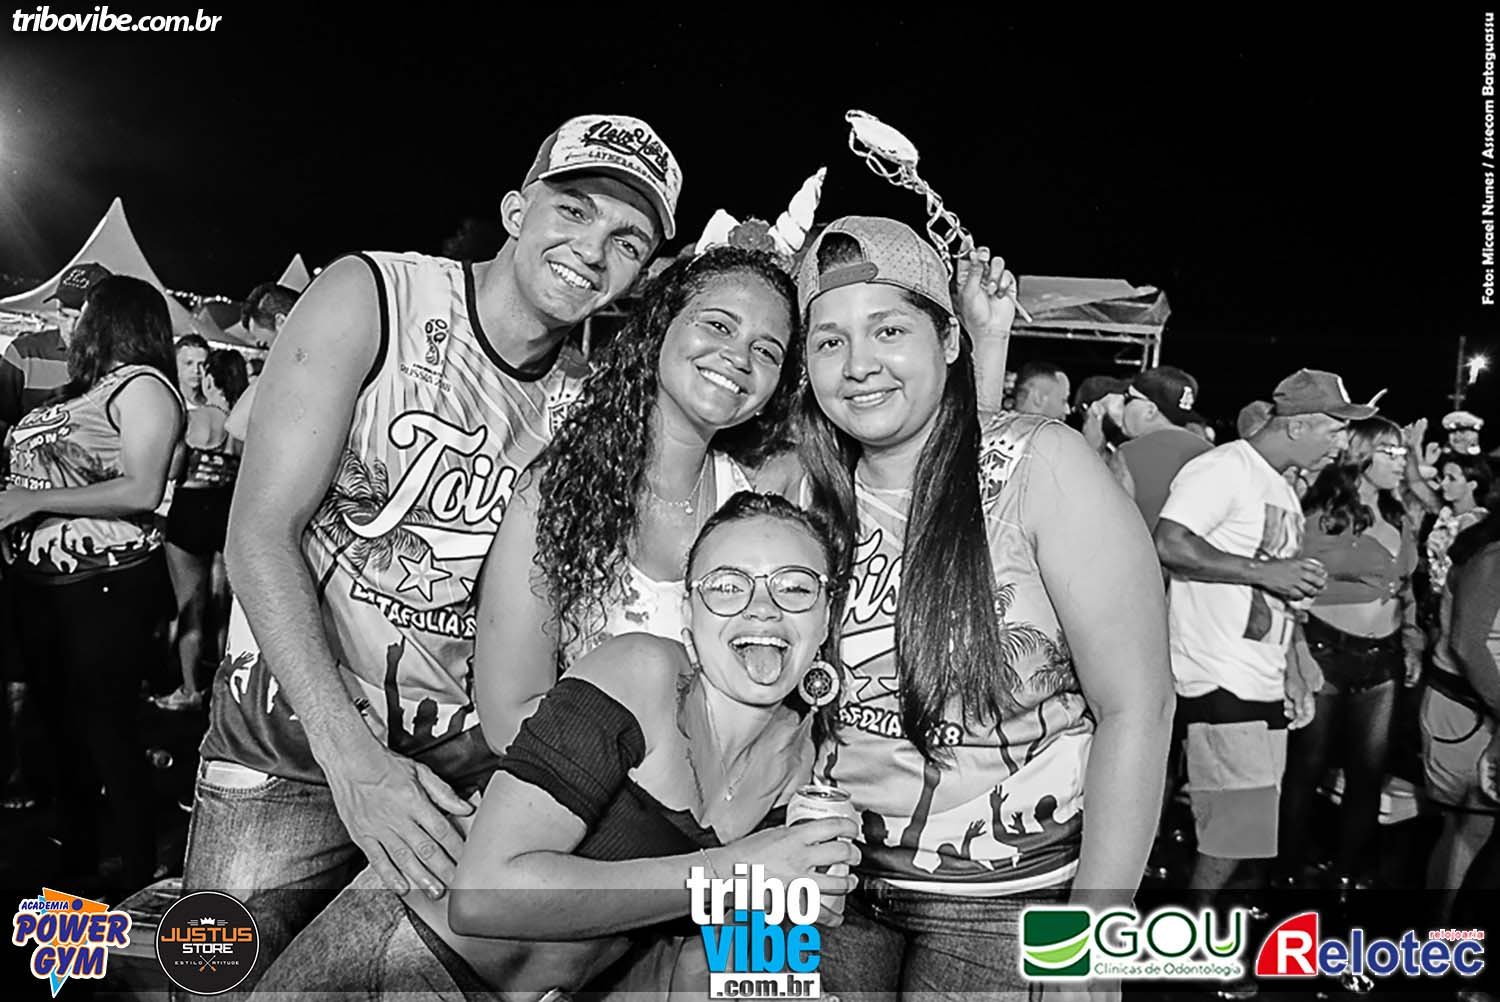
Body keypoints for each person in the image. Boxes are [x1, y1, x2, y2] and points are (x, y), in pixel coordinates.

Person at [181, 113, 682, 987]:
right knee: (218, 982)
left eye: (627, 240)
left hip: (451, 771)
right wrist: (356, 766)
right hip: (287, 745)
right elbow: (259, 533)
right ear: (517, 209)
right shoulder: (373, 295)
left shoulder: (587, 404)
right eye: (574, 210)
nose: (593, 250)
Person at [253, 492, 859, 999]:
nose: (761, 608)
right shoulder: (640, 675)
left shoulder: (798, 765)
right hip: (395, 964)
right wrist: (737, 871)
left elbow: (690, 963)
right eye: (727, 586)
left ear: (827, 615)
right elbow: (482, 900)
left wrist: (778, 958)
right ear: (689, 615)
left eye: (795, 587)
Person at [796, 217, 1173, 1001]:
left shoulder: (1043, 465)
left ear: (948, 339)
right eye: (830, 341)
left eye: (889, 330)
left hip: (1003, 899)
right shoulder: (806, 490)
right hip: (830, 887)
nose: (858, 365)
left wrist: (1097, 938)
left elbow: (1137, 705)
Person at [475, 245, 802, 753]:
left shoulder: (761, 502)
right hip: (578, 787)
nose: (739, 358)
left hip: (725, 792)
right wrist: (657, 768)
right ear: (660, 328)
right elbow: (509, 717)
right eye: (718, 325)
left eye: (766, 352)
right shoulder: (556, 493)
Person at [1155, 368, 1372, 908]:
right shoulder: (1225, 468)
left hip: (1260, 677)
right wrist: (1265, 572)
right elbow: (1170, 543)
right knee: (1237, 828)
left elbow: (1275, 588)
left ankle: (1199, 924)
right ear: (1297, 426)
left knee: (1245, 826)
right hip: (1217, 674)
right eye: (1334, 430)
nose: (1340, 444)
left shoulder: (1280, 488)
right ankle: (1194, 932)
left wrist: (1294, 664)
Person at [0, 275, 185, 896]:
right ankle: (78, 857)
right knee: (57, 730)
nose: (72, 324)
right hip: (44, 585)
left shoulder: (144, 387)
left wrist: (32, 502)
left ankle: (135, 869)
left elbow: (143, 488)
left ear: (111, 321)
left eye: (82, 314)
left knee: (107, 731)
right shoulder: (88, 390)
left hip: (102, 586)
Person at [1275, 417, 1421, 888]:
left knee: (1368, 773)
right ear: (1360, 455)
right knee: (1306, 768)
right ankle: (1285, 877)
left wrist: (1412, 635)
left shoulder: (1399, 514)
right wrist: (1297, 653)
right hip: (1325, 651)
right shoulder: (1322, 515)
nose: (1401, 462)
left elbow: (1406, 588)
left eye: (1402, 453)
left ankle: (1347, 878)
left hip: (1384, 658)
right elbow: (1286, 586)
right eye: (1390, 453)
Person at [0, 261, 111, 813]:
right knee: (21, 665)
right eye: (62, 311)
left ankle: (77, 777)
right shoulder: (25, 352)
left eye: (78, 312)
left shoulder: (116, 370)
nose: (68, 322)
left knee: (80, 667)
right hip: (22, 536)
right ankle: (19, 771)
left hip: (88, 545)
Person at [159, 349, 250, 710]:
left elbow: (172, 470)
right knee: (225, 606)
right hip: (225, 511)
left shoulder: (194, 419)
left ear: (211, 379)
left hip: (190, 510)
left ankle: (190, 689)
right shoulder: (243, 424)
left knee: (190, 606)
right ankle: (225, 688)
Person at [1422, 503, 1500, 918]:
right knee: (1471, 831)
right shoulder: (1493, 555)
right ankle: (1448, 940)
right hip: (1467, 711)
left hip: (1481, 708)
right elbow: (1469, 646)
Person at [1107, 366, 1212, 530]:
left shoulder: (1127, 455)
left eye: (1128, 399)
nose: (1122, 406)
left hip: (1142, 545)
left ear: (1150, 410)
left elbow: (1111, 522)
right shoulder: (1212, 453)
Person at [224, 283, 300, 442]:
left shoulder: (296, 371)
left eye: (266, 345)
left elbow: (238, 427)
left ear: (281, 322)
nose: (266, 352)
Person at [174, 334, 210, 409]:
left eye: (201, 364)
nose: (196, 370)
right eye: (189, 363)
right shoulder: (168, 402)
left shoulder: (214, 404)